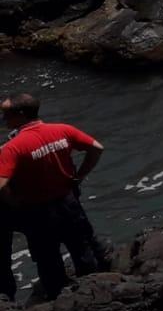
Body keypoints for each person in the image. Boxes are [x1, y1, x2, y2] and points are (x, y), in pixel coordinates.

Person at [0, 92, 110, 300]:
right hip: (68, 202)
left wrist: (13, 202)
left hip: (38, 211)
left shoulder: (14, 147)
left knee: (48, 259)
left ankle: (59, 301)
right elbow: (97, 148)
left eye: (6, 115)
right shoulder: (63, 129)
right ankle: (95, 294)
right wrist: (79, 177)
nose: (3, 120)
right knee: (81, 248)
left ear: (21, 115)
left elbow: (1, 185)